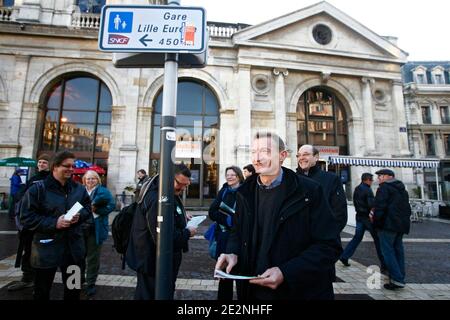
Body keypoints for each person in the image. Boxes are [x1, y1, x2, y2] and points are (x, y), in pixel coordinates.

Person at [216, 132, 341, 300]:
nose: (257, 158)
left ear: (282, 156)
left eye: (265, 151)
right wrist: (232, 252)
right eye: (253, 152)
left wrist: (286, 272)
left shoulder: (309, 191)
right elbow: (237, 232)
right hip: (252, 290)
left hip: (298, 292)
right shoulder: (245, 192)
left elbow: (329, 246)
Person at [20, 151, 92, 300]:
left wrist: (79, 217)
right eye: (67, 166)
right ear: (55, 167)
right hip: (46, 250)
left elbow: (87, 209)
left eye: (73, 166)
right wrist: (54, 223)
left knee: (73, 290)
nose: (71, 169)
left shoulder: (79, 189)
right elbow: (26, 217)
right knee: (42, 291)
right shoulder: (38, 189)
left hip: (74, 249)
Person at [126, 163, 197, 300]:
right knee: (151, 294)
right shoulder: (158, 198)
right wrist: (188, 233)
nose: (182, 188)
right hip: (153, 260)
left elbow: (169, 216)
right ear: (168, 177)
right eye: (180, 184)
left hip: (156, 259)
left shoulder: (165, 190)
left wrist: (182, 217)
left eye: (186, 185)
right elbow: (165, 237)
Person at [8, 154, 51, 292]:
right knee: (27, 251)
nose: (41, 164)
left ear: (50, 165)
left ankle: (39, 281)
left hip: (41, 222)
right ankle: (27, 278)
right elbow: (22, 196)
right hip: (28, 222)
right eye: (40, 162)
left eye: (45, 162)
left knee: (40, 253)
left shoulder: (51, 180)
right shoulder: (32, 179)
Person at [372, 169, 411, 290]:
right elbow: (407, 208)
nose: (379, 178)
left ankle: (397, 278)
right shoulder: (402, 190)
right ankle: (400, 277)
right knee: (398, 251)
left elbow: (380, 207)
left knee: (387, 251)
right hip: (400, 225)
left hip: (387, 225)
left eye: (381, 176)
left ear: (389, 177)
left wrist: (376, 223)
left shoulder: (384, 188)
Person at [208, 166, 244, 300]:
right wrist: (227, 220)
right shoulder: (223, 191)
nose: (229, 177)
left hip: (240, 238)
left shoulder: (246, 192)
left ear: (239, 176)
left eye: (232, 175)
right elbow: (212, 212)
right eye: (227, 174)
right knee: (224, 275)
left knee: (240, 273)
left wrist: (236, 220)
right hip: (224, 237)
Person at [296, 145, 348, 233]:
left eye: (305, 154)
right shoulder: (292, 180)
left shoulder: (331, 179)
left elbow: (340, 213)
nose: (301, 158)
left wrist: (329, 236)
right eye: (298, 155)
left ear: (316, 157)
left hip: (323, 239)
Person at [340, 173, 386, 271]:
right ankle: (384, 263)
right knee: (377, 240)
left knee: (357, 238)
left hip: (359, 217)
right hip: (367, 218)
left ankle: (345, 255)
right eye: (371, 180)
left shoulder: (357, 188)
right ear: (367, 180)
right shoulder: (367, 190)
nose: (372, 181)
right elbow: (371, 204)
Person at [81, 170, 115, 297]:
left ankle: (90, 283)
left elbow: (111, 206)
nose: (90, 181)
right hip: (80, 228)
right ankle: (78, 280)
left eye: (93, 179)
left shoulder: (103, 191)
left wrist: (97, 210)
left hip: (96, 228)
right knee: (78, 256)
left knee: (93, 258)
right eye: (88, 179)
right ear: (84, 180)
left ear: (97, 180)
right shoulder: (80, 191)